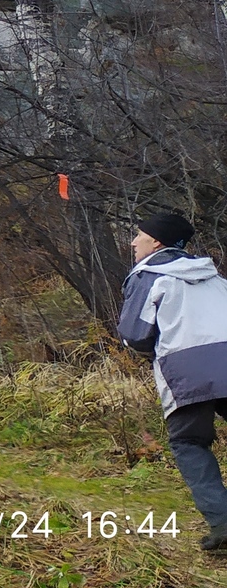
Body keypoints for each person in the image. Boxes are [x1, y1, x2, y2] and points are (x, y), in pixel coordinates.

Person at [119, 211, 227, 552]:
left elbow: (134, 334)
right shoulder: (213, 276)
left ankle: (224, 526)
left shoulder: (149, 276)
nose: (134, 241)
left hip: (188, 368)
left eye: (140, 235)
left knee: (189, 442)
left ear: (157, 242)